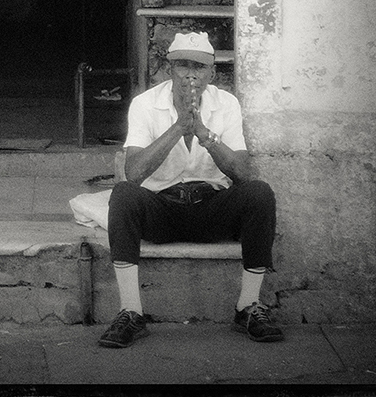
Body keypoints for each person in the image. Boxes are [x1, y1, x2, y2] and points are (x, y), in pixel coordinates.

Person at [97, 30, 281, 348]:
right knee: (123, 194)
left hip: (211, 208)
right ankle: (131, 311)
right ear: (169, 70)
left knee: (260, 193)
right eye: (183, 66)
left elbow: (241, 173)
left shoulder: (227, 105)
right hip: (163, 207)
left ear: (211, 73)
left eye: (199, 68)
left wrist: (203, 133)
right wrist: (179, 127)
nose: (190, 75)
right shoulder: (145, 104)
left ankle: (248, 306)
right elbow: (134, 172)